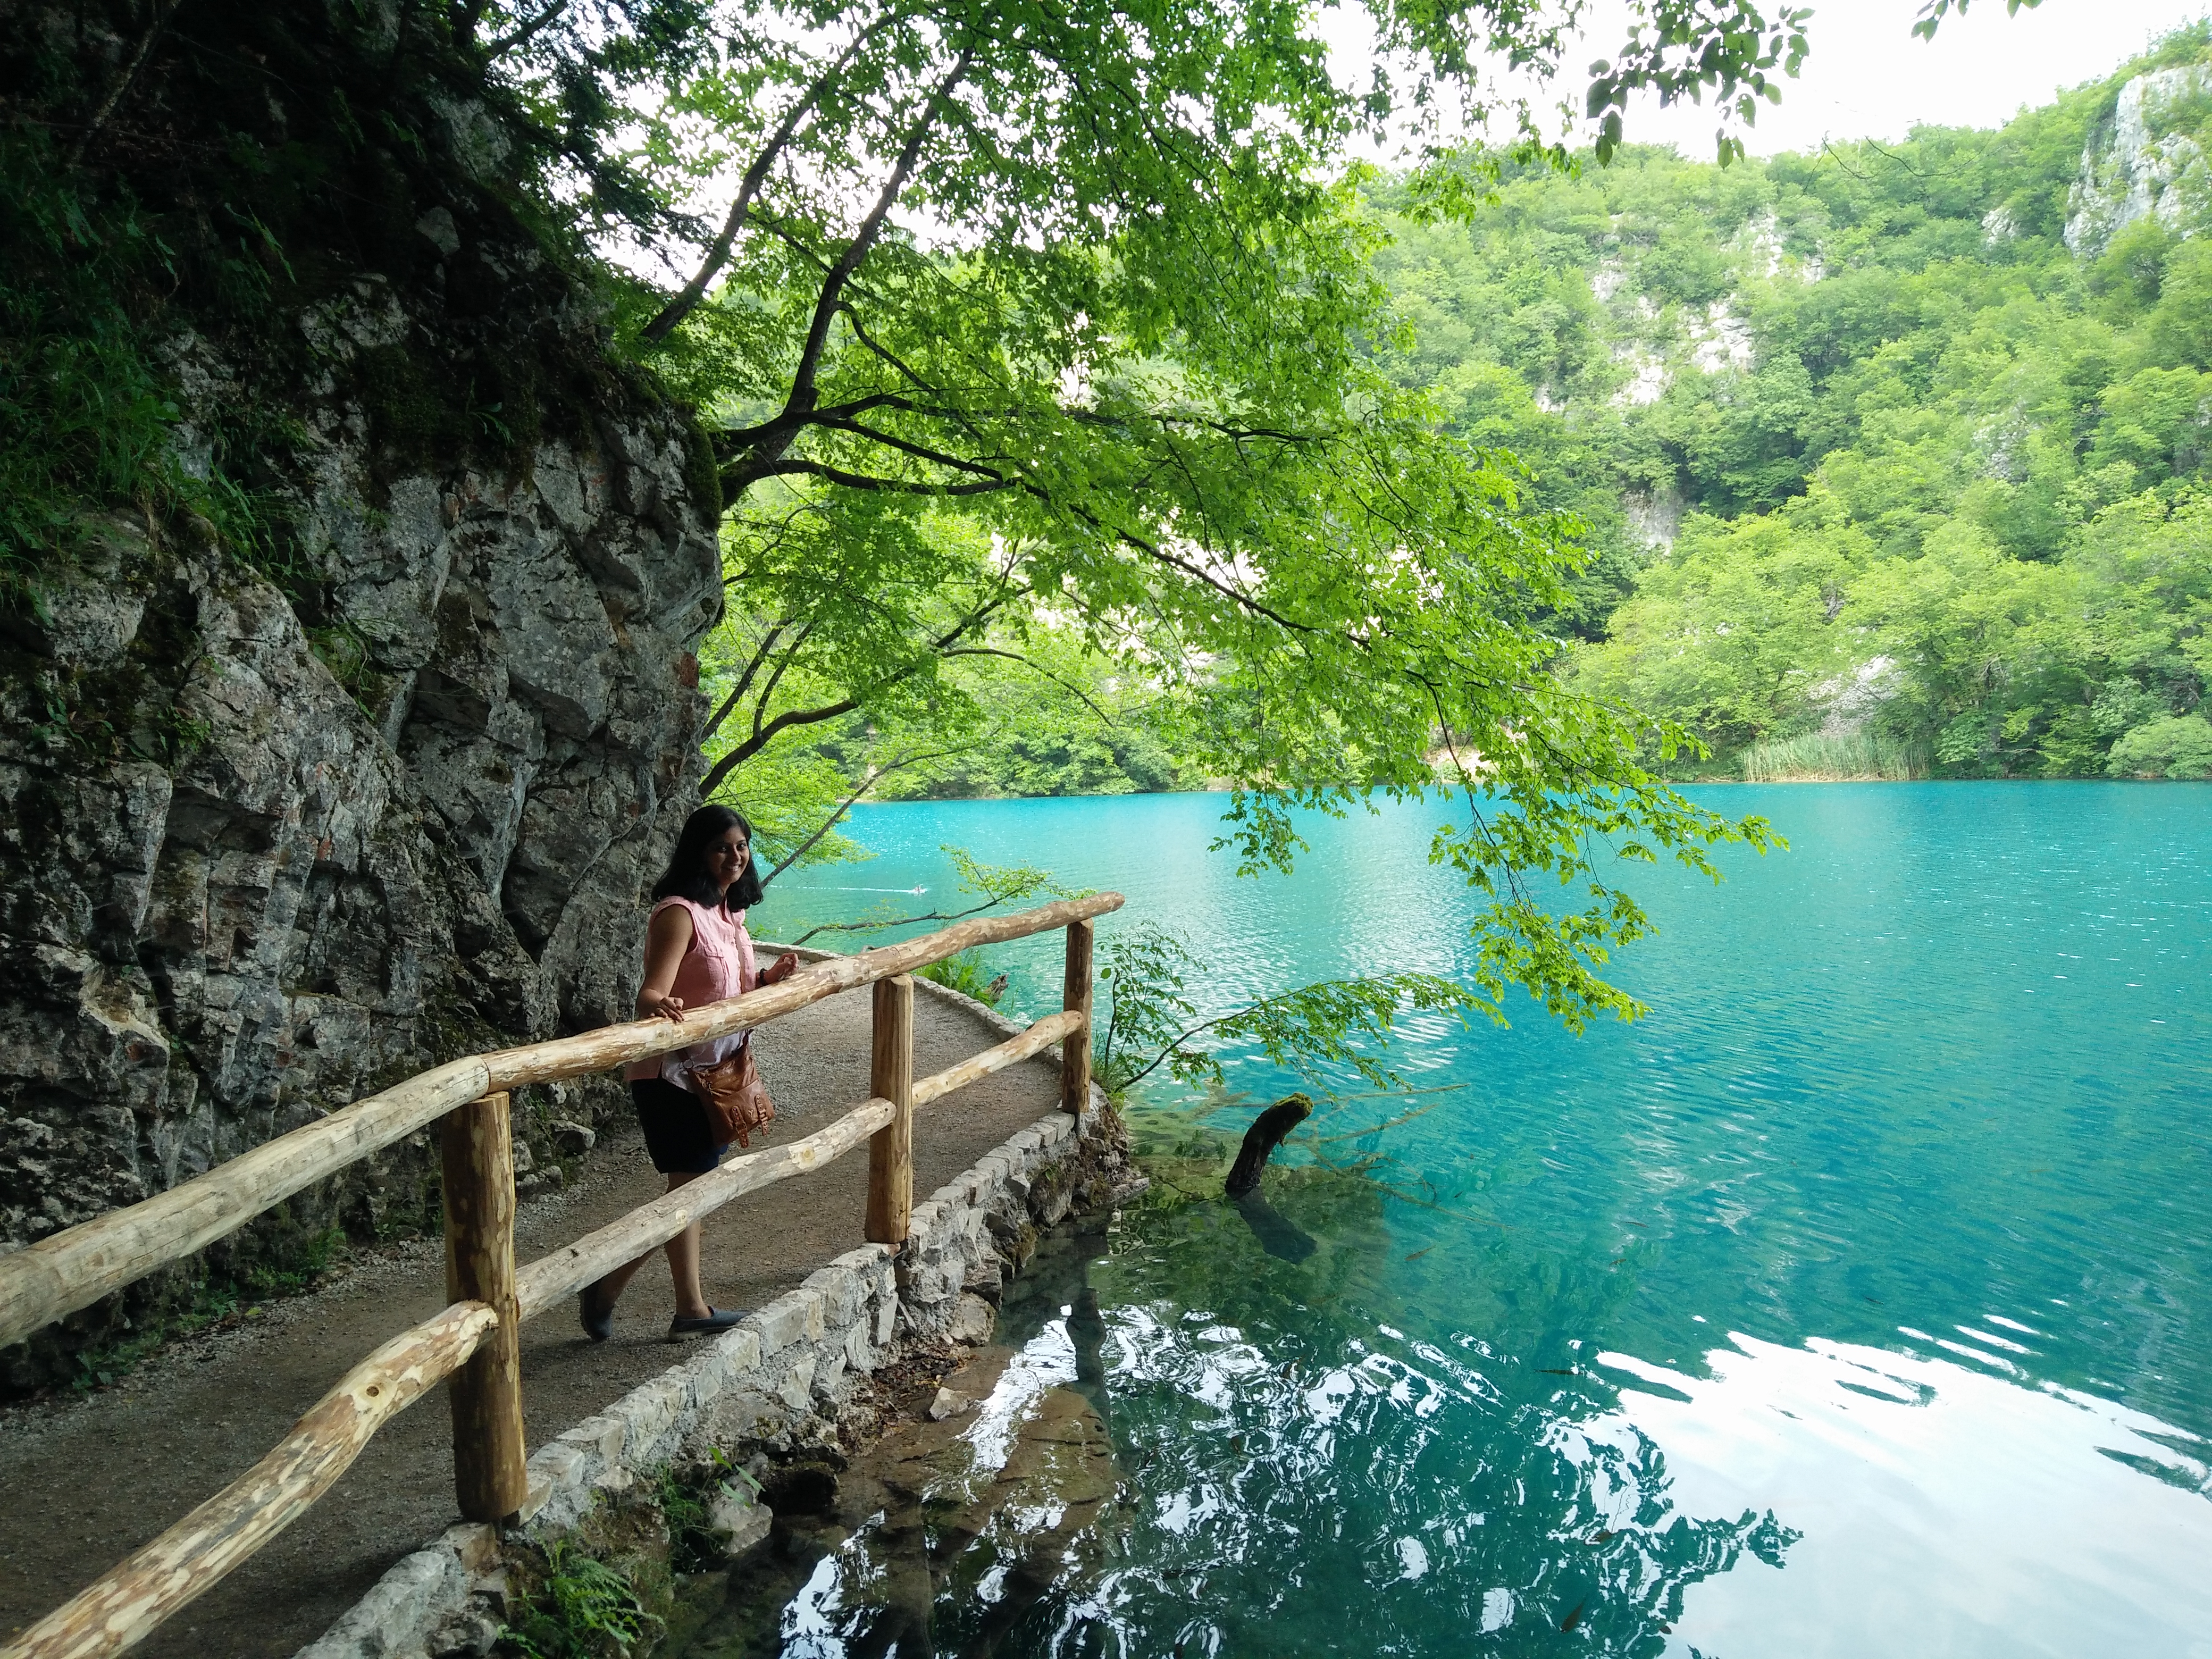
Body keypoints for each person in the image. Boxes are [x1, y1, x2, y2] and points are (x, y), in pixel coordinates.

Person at [579, 805, 799, 1342]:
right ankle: (686, 1309)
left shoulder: (732, 917)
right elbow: (652, 991)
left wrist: (766, 982)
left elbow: (731, 992)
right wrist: (662, 1004)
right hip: (671, 1077)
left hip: (716, 1072)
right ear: (699, 852)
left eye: (742, 847)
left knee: (689, 1189)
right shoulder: (677, 912)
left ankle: (613, 1287)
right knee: (689, 1188)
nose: (735, 856)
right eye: (723, 846)